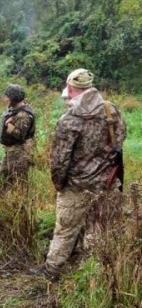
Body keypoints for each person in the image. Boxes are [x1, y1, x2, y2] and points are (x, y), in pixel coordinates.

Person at [32, 69, 126, 280]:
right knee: (100, 227)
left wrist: (59, 184)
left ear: (71, 88)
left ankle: (52, 270)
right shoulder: (111, 110)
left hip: (76, 185)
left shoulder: (69, 119)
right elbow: (120, 139)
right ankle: (93, 273)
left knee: (65, 230)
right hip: (107, 182)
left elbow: (60, 160)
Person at [0, 84, 36, 189]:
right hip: (10, 150)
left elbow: (20, 135)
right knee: (2, 176)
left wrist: (8, 125)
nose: (5, 99)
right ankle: (1, 201)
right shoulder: (15, 109)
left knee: (19, 181)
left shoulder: (23, 115)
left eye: (8, 97)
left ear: (14, 99)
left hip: (19, 151)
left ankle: (21, 204)